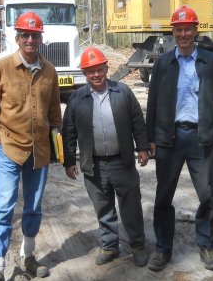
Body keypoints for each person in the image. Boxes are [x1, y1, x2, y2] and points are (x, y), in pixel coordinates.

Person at [0, 11, 62, 281]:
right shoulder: (1, 68)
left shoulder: (49, 71)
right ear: (17, 37)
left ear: (40, 38)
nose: (30, 39)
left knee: (33, 207)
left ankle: (29, 255)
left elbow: (54, 113)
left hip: (39, 152)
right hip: (9, 151)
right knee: (4, 207)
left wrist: (59, 144)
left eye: (34, 35)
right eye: (25, 34)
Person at [146, 5, 213, 272]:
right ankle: (162, 249)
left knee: (207, 194)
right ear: (173, 32)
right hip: (169, 138)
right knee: (163, 196)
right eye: (178, 29)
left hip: (201, 137)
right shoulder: (163, 63)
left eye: (188, 29)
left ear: (196, 30)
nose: (183, 34)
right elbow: (154, 102)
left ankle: (206, 245)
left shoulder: (210, 61)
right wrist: (151, 138)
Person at [62, 47, 150, 267]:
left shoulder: (123, 92)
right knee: (103, 208)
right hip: (94, 165)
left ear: (106, 68)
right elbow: (69, 131)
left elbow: (138, 122)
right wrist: (69, 161)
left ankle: (138, 245)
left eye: (99, 69)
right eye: (90, 71)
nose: (96, 75)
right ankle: (110, 247)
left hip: (123, 162)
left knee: (131, 207)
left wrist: (143, 148)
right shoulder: (77, 98)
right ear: (85, 73)